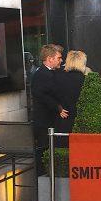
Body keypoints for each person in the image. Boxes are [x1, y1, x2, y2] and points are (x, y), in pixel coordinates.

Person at [30, 44, 68, 174]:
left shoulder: (52, 73)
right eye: (59, 58)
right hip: (44, 121)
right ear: (50, 59)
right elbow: (42, 95)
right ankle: (42, 177)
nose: (61, 60)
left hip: (50, 120)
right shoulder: (41, 74)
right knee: (44, 150)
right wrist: (58, 107)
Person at [54, 51, 87, 144]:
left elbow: (50, 95)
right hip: (81, 122)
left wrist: (57, 107)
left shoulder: (57, 78)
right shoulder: (87, 80)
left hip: (63, 120)